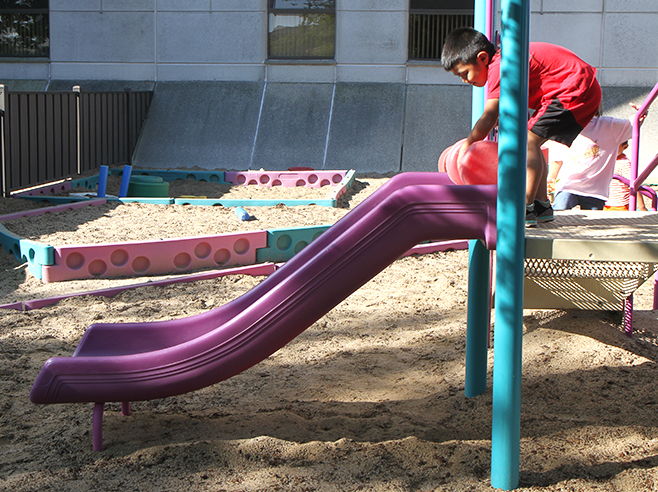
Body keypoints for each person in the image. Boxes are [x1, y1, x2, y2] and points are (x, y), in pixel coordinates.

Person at [441, 27, 602, 226]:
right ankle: (541, 205)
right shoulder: (507, 63)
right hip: (578, 86)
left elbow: (489, 115)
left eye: (465, 73)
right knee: (531, 142)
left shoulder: (499, 67)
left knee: (528, 142)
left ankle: (524, 206)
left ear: (482, 58)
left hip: (574, 89)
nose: (465, 80)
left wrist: (469, 143)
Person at [549, 107, 646, 210]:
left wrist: (642, 111)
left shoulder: (608, 126)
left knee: (593, 217)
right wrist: (551, 178)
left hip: (594, 189)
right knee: (560, 209)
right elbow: (558, 158)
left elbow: (632, 125)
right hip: (568, 185)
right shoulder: (565, 127)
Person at [604, 141, 648, 211]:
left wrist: (641, 206)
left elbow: (634, 184)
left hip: (620, 205)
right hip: (607, 204)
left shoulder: (624, 164)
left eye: (615, 146)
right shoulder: (607, 160)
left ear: (624, 147)